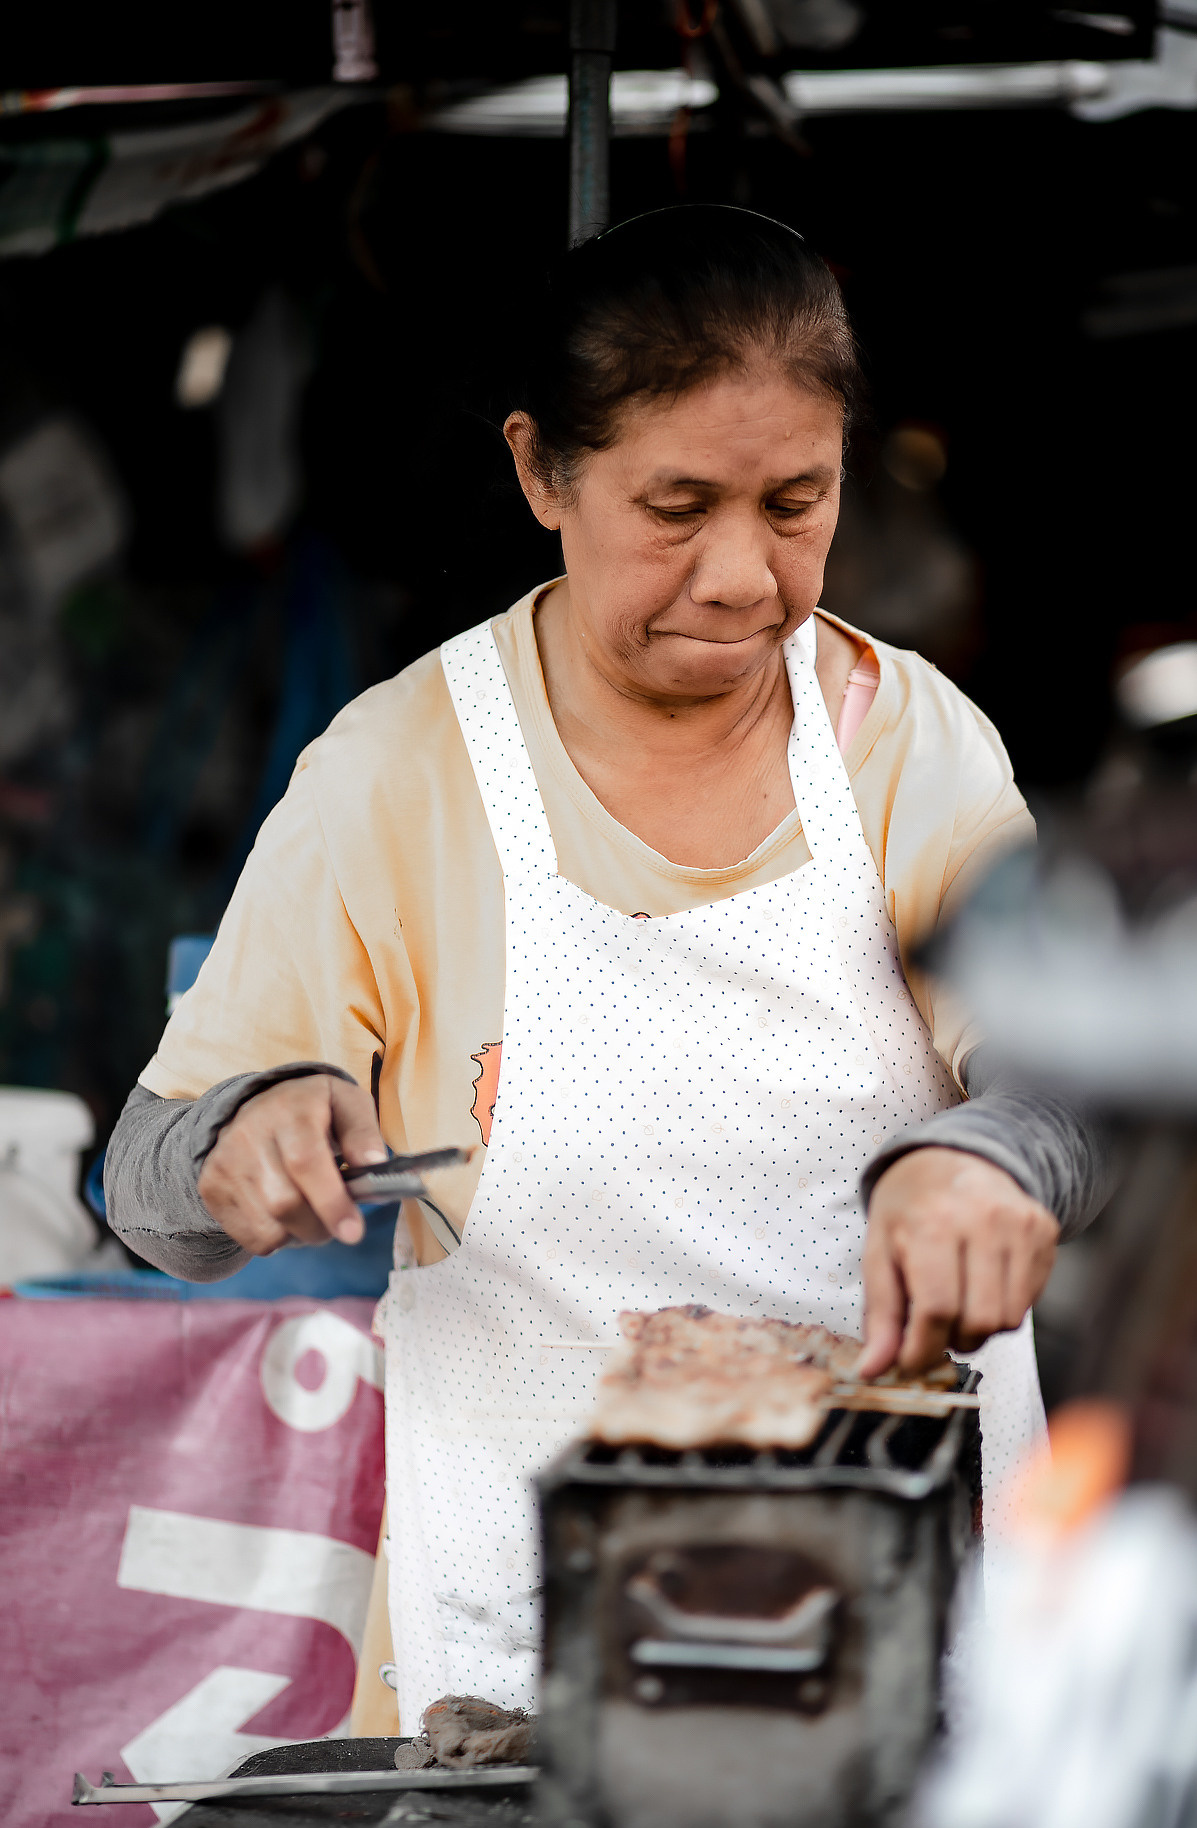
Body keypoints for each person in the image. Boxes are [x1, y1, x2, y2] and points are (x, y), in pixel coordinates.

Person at [105, 206, 1111, 1734]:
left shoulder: (907, 742)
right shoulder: (400, 773)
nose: (740, 576)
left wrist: (987, 1156)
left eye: (796, 501)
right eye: (677, 505)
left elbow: (1074, 1076)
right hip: (530, 1670)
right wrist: (247, 1142)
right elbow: (147, 1189)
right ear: (539, 473)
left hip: (923, 1637)